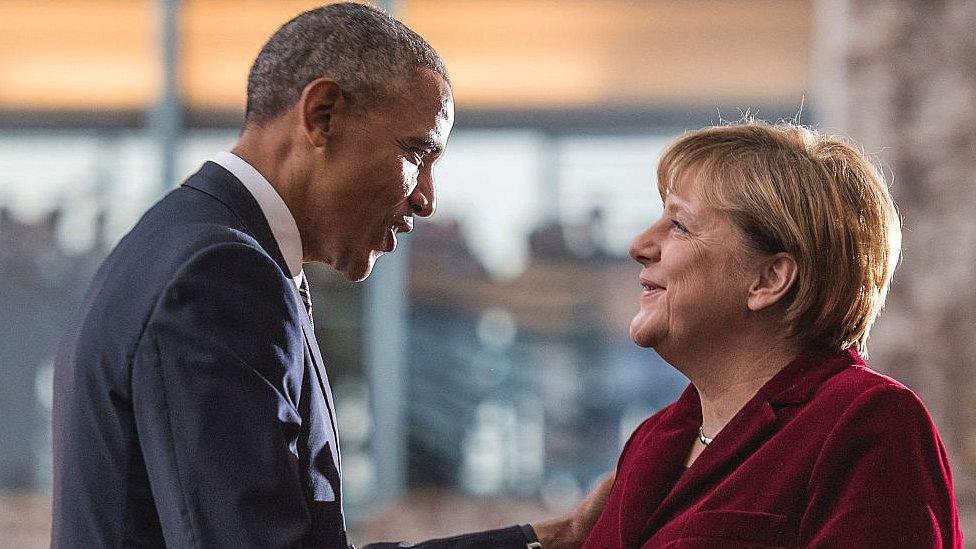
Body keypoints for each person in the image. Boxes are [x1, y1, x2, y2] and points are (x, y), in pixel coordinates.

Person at [51, 4, 453, 547]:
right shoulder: (218, 275)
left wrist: (544, 538)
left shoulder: (184, 243)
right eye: (416, 152)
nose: (426, 199)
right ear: (323, 115)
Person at [577, 120, 962, 547]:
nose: (639, 245)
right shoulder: (654, 438)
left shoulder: (867, 419)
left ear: (768, 280)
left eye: (680, 225)